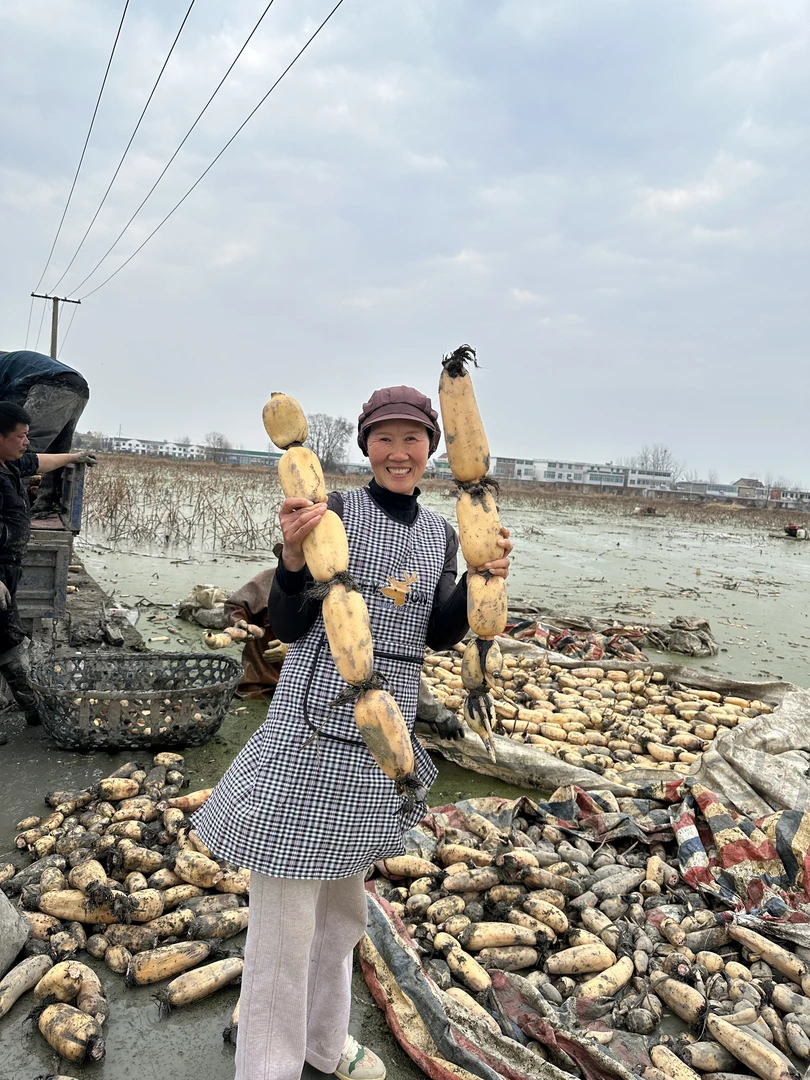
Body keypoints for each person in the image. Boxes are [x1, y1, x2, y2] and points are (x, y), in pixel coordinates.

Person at [193, 385, 511, 1080]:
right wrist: (290, 555)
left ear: (434, 446)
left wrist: (481, 580)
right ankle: (267, 1068)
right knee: (283, 927)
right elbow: (292, 623)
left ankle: (323, 1045)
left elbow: (434, 630)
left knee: (342, 915)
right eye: (384, 438)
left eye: (414, 438)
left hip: (382, 733)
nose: (399, 452)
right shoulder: (334, 510)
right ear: (365, 446)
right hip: (314, 723)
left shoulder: (437, 533)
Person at [0, 401, 97, 743]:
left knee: (7, 640)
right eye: (21, 436)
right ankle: (35, 710)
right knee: (7, 640)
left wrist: (73, 457)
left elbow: (40, 461)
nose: (27, 442)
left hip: (7, 571)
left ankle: (33, 711)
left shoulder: (9, 464)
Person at [0, 350, 90, 515]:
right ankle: (45, 503)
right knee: (57, 450)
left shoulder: (5, 365)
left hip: (53, 385)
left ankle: (10, 508)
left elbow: (5, 412)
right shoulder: (14, 363)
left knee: (21, 448)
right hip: (80, 388)